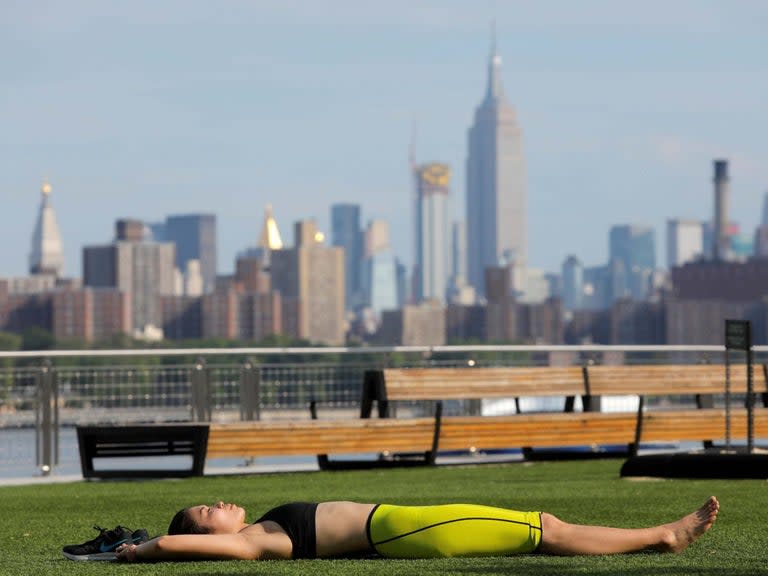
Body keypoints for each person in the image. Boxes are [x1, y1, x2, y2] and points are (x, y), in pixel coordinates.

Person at [113, 495, 719, 562]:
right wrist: (134, 552)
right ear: (210, 535)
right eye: (207, 511)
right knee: (548, 530)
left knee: (546, 527)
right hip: (406, 532)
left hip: (405, 526)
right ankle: (660, 536)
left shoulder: (262, 527)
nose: (219, 504)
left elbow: (173, 539)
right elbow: (167, 544)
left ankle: (656, 534)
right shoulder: (253, 543)